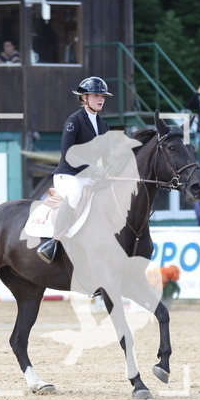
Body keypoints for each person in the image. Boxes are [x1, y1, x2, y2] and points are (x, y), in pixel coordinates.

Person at [37, 76, 112, 263]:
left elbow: (107, 157)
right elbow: (68, 153)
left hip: (89, 176)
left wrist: (111, 171)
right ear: (84, 98)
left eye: (102, 96)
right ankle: (54, 241)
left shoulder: (103, 125)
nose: (100, 99)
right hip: (68, 175)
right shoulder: (74, 120)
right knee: (75, 194)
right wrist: (93, 169)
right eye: (96, 95)